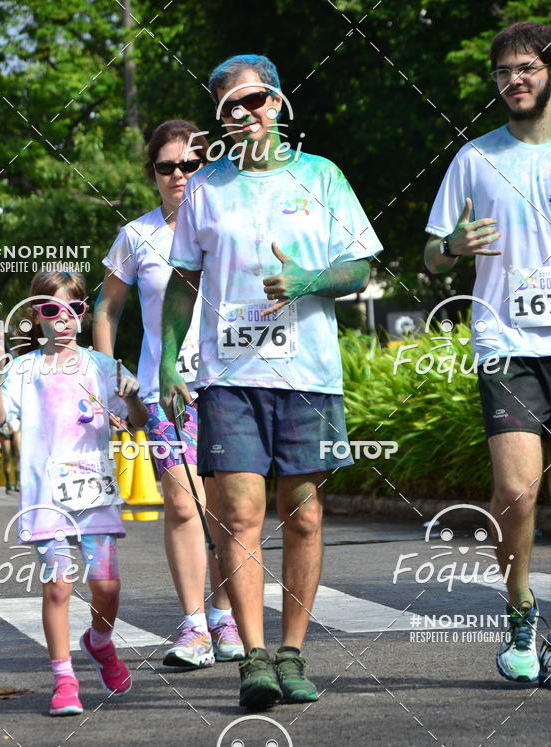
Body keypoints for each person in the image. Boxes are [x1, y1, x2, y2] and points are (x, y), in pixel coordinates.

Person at [159, 55, 382, 710]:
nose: (246, 113)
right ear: (221, 119)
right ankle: (253, 659)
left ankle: (293, 652)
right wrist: (168, 359)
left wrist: (309, 281)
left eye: (255, 100)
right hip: (230, 374)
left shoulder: (323, 177)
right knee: (238, 516)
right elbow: (183, 282)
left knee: (305, 517)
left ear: (278, 102)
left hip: (308, 373)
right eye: (231, 106)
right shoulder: (206, 189)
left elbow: (360, 267)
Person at [424, 22, 551, 684]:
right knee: (515, 491)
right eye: (503, 73)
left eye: (526, 68)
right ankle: (520, 609)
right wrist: (452, 249)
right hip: (507, 342)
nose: (514, 81)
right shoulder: (475, 159)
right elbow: (428, 254)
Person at [95, 119, 243, 668]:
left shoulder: (231, 224)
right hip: (165, 389)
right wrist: (113, 377)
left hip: (231, 382)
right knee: (183, 502)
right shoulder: (138, 235)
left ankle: (226, 614)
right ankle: (193, 625)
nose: (178, 174)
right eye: (166, 166)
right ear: (153, 174)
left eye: (189, 163)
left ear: (207, 166)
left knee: (228, 507)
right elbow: (106, 308)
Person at [0, 270, 148, 716]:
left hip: (94, 492)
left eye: (74, 309)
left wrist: (132, 398)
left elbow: (136, 420)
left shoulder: (102, 366)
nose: (63, 318)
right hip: (45, 497)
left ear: (82, 314)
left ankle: (99, 642)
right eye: (52, 309)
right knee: (58, 585)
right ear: (36, 315)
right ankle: (64, 679)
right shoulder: (24, 368)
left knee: (107, 585)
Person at [0, 418, 20, 494]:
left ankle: (18, 481)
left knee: (17, 454)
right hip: (3, 428)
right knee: (6, 455)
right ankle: (8, 482)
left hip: (16, 426)